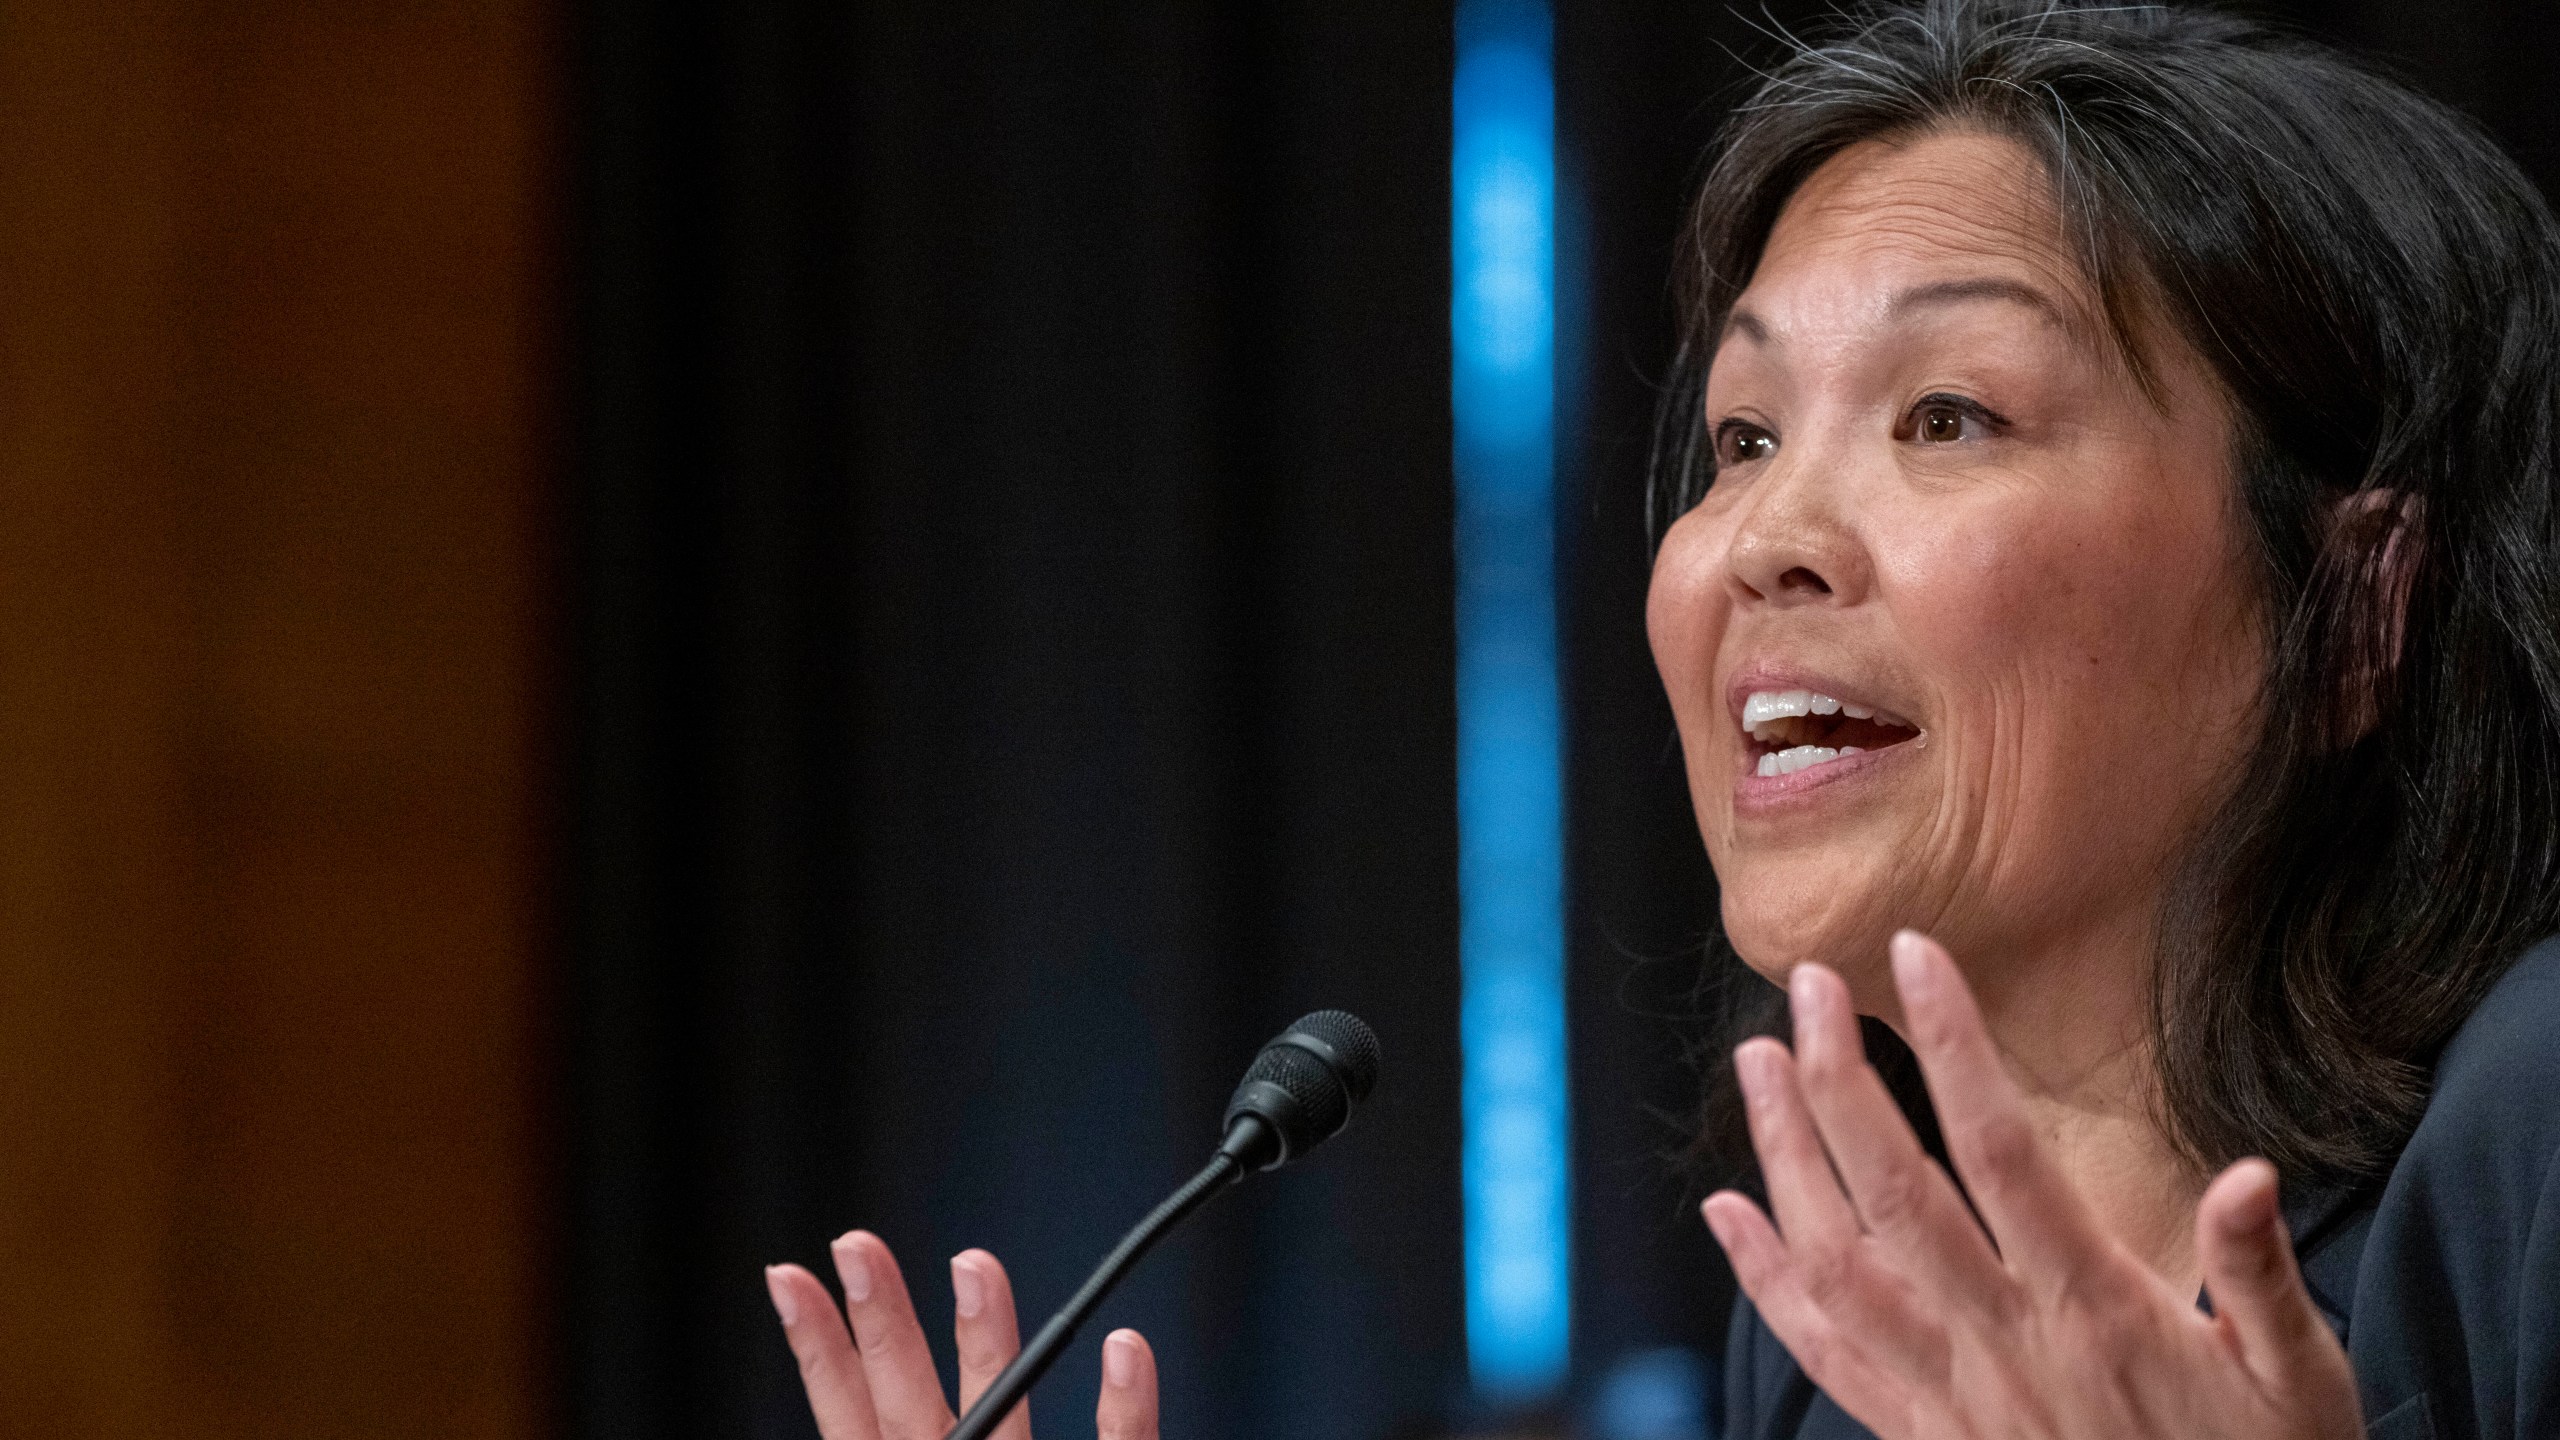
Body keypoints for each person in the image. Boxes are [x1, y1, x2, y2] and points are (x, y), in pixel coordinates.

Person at [763, 1, 2560, 1436]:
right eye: (1745, 438)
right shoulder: (1841, 1305)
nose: (1763, 540)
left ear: (2357, 608)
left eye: (1950, 416)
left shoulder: (2527, 1142)